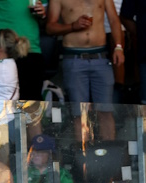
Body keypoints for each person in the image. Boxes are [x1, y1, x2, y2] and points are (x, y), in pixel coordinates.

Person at [45, 0, 123, 139]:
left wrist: (118, 47)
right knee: (80, 113)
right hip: (73, 57)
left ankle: (109, 155)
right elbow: (50, 27)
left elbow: (114, 20)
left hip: (101, 57)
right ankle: (84, 156)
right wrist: (72, 26)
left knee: (105, 110)